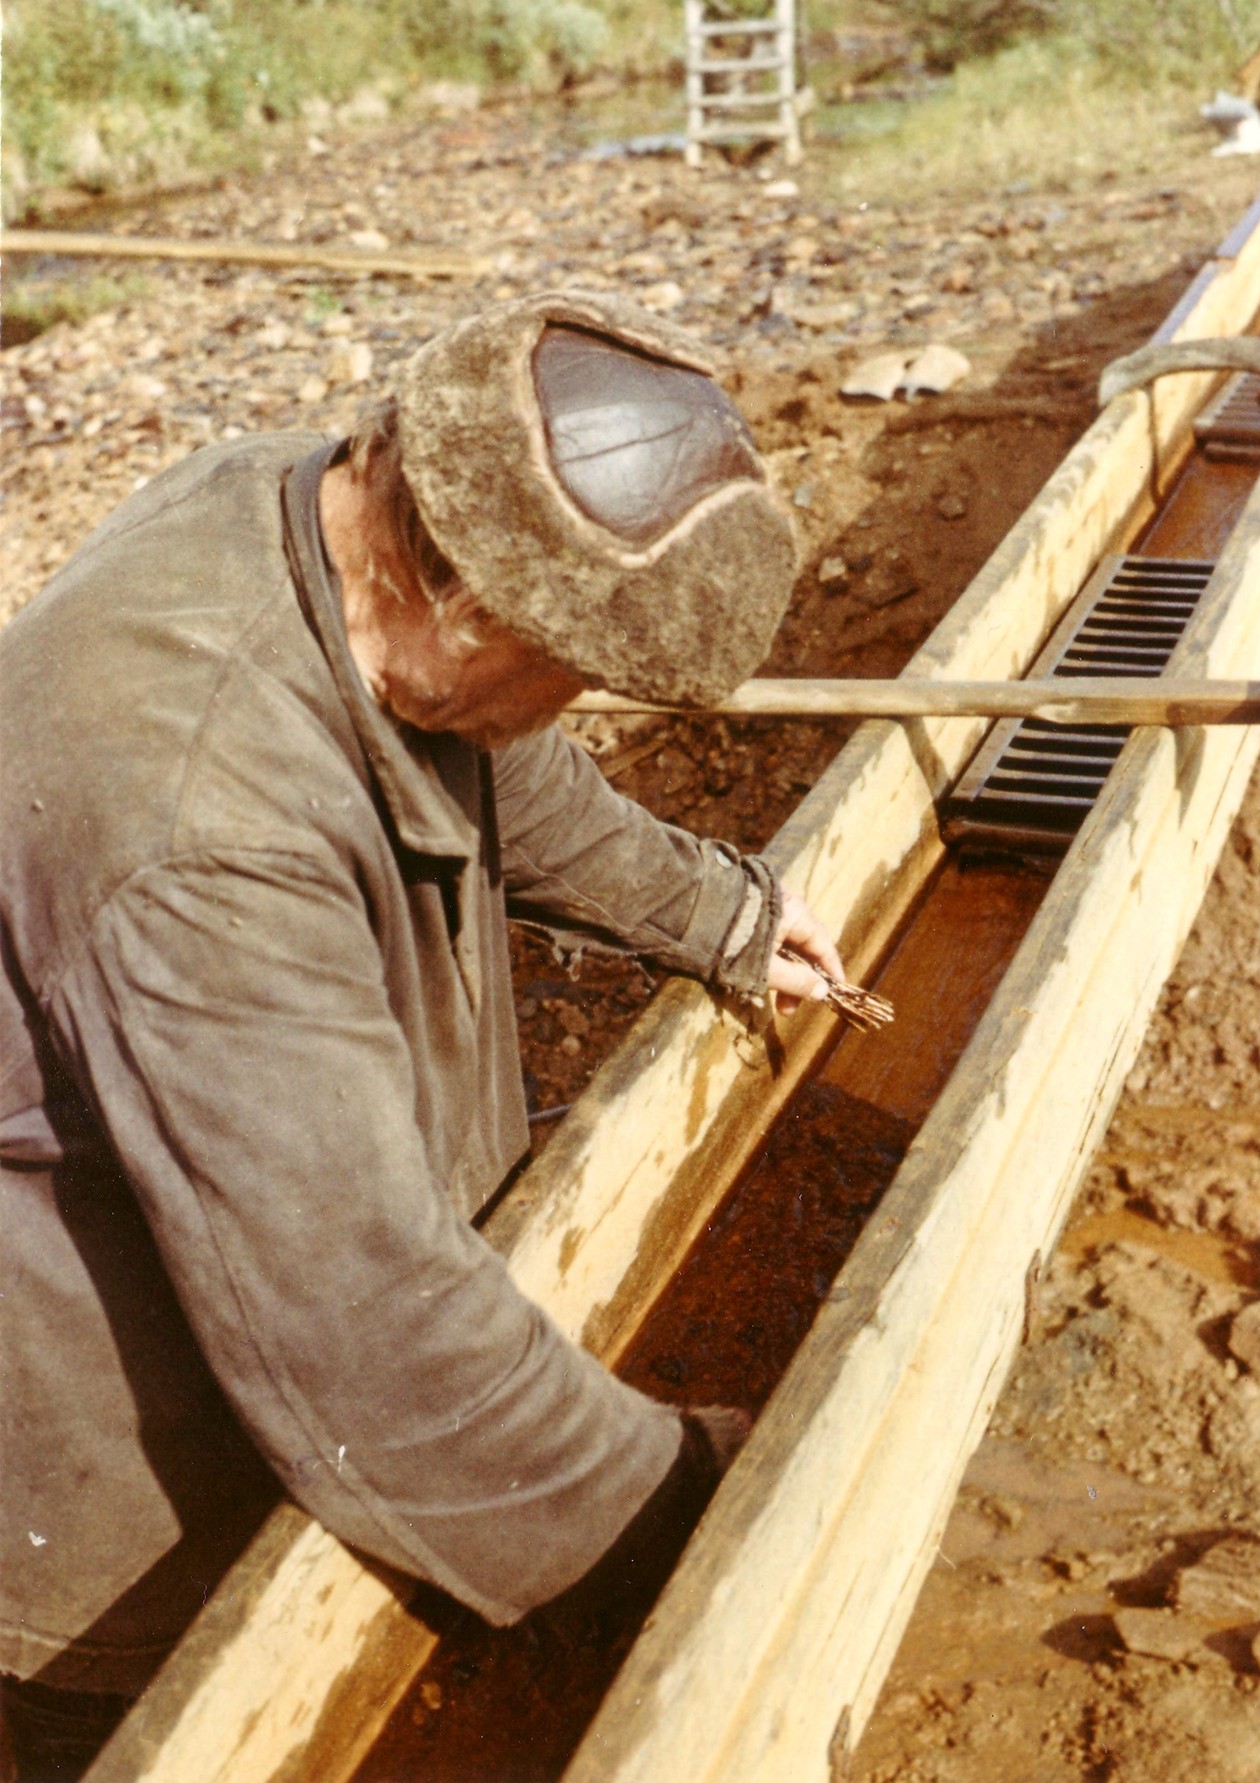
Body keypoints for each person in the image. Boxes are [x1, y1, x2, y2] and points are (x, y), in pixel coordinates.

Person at [0, 290, 843, 1776]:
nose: (568, 708)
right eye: (567, 669)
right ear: (468, 599)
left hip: (257, 1227)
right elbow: (366, 1320)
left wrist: (717, 912)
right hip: (92, 1451)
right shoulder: (197, 823)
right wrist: (686, 1492)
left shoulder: (335, 514)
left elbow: (502, 755)